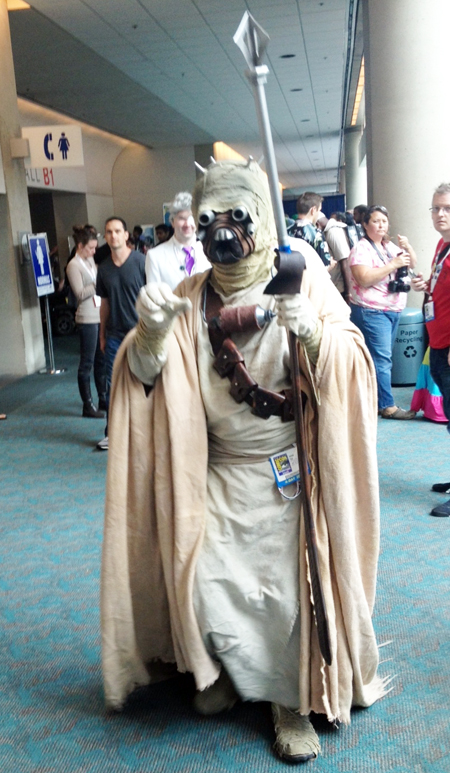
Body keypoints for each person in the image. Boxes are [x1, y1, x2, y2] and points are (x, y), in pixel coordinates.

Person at [101, 160, 386, 764]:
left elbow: (355, 363)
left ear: (260, 216)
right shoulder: (188, 295)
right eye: (209, 219)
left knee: (283, 594)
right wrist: (149, 335)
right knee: (206, 578)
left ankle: (289, 699)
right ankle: (230, 671)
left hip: (289, 473)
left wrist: (315, 336)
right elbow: (140, 378)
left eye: (236, 217)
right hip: (215, 472)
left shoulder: (301, 275)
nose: (222, 231)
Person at [349, 205, 417, 419]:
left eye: (384, 221)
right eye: (376, 221)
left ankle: (376, 401)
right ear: (365, 224)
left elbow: (412, 264)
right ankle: (387, 406)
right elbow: (363, 279)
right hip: (372, 311)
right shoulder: (361, 248)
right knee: (382, 359)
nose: (381, 225)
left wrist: (408, 248)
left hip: (392, 310)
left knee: (380, 358)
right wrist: (393, 264)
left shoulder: (388, 246)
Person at [412, 183, 450, 516]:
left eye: (447, 209)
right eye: (436, 208)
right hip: (438, 342)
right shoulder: (442, 244)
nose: (440, 214)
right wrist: (427, 286)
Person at [95, 217, 146, 450]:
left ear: (126, 235)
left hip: (141, 333)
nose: (113, 235)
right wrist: (102, 335)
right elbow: (104, 304)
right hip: (115, 335)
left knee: (144, 383)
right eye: (109, 232)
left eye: (117, 231)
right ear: (105, 237)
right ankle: (113, 433)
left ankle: (143, 432)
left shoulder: (141, 262)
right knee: (113, 385)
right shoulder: (104, 269)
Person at [66, 224, 106, 419]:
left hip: (99, 314)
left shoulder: (89, 260)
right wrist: (97, 284)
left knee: (101, 360)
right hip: (86, 317)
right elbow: (80, 293)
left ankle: (103, 398)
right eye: (90, 248)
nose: (94, 251)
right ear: (80, 246)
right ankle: (87, 405)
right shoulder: (73, 265)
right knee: (87, 363)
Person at [145, 192, 210, 290]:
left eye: (192, 218)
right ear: (172, 222)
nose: (187, 224)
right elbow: (154, 295)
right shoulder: (155, 256)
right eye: (181, 218)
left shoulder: (209, 251)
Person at [291, 192, 332, 268]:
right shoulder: (316, 234)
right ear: (313, 210)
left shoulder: (287, 231)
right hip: (310, 275)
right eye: (319, 210)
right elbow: (324, 266)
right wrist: (331, 263)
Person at [323, 212, 353, 302]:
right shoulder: (329, 231)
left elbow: (345, 261)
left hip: (341, 288)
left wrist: (348, 293)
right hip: (337, 286)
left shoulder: (333, 231)